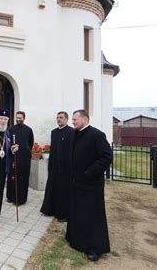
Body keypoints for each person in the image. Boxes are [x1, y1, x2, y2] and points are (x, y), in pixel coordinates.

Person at [66, 109, 112, 262]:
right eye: (72, 119)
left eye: (75, 119)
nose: (72, 122)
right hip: (76, 183)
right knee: (77, 212)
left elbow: (106, 157)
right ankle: (76, 240)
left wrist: (89, 172)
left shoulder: (97, 135)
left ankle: (94, 248)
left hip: (91, 185)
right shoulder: (74, 133)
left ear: (85, 119)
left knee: (92, 217)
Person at [40, 111, 73, 221]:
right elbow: (53, 150)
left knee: (63, 191)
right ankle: (49, 210)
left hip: (65, 168)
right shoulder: (54, 132)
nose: (59, 119)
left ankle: (62, 214)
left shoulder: (71, 132)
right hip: (54, 167)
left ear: (66, 119)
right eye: (58, 117)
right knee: (52, 189)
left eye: (61, 117)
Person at [7, 111, 34, 205]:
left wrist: (21, 148)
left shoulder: (28, 130)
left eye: (20, 118)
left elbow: (30, 144)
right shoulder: (11, 129)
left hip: (24, 159)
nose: (18, 119)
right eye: (17, 117)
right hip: (13, 157)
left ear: (24, 118)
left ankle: (21, 199)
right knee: (12, 177)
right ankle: (10, 197)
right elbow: (8, 143)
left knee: (22, 178)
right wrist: (12, 148)